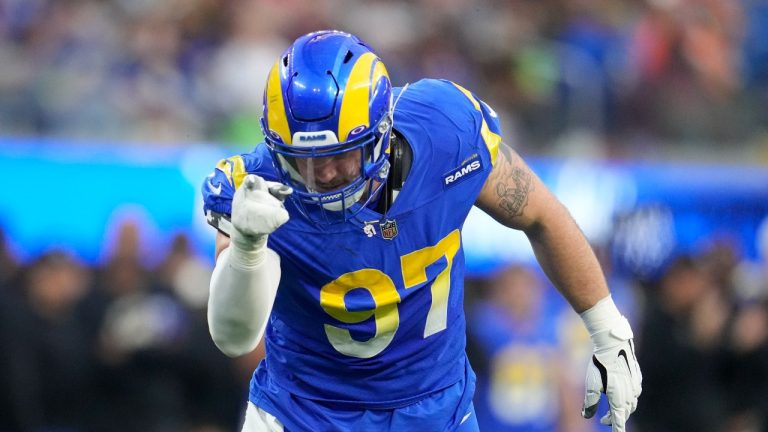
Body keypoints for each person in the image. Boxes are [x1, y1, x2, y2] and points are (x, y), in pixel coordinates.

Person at [201, 30, 641, 432]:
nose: (324, 174)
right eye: (304, 159)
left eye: (342, 154)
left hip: (435, 412)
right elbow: (234, 338)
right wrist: (246, 246)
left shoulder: (445, 134)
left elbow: (541, 216)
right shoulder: (257, 189)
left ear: (381, 133)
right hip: (302, 412)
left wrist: (608, 329)